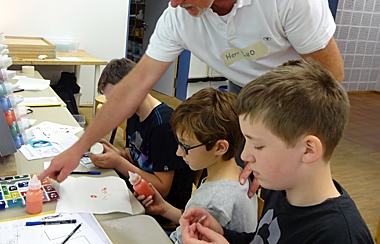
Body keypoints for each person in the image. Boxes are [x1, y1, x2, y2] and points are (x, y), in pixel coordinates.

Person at [40, 0, 344, 186]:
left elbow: (329, 81)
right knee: (242, 176)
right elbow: (134, 85)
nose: (173, 2)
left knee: (286, 180)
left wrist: (290, 144)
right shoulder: (179, 16)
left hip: (294, 97)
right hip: (243, 93)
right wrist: (80, 146)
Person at [179, 59, 374, 244]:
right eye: (245, 141)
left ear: (308, 150)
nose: (245, 156)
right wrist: (222, 234)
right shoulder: (280, 189)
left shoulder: (339, 236)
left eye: (258, 146)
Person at [137, 88, 258, 243]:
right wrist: (165, 208)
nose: (178, 153)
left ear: (220, 147)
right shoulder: (238, 176)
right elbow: (197, 224)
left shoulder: (213, 201)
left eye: (186, 147)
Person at [87, 58, 194, 224]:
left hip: (160, 206)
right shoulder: (134, 114)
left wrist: (117, 162)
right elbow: (136, 159)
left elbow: (162, 189)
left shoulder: (163, 126)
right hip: (139, 190)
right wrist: (114, 152)